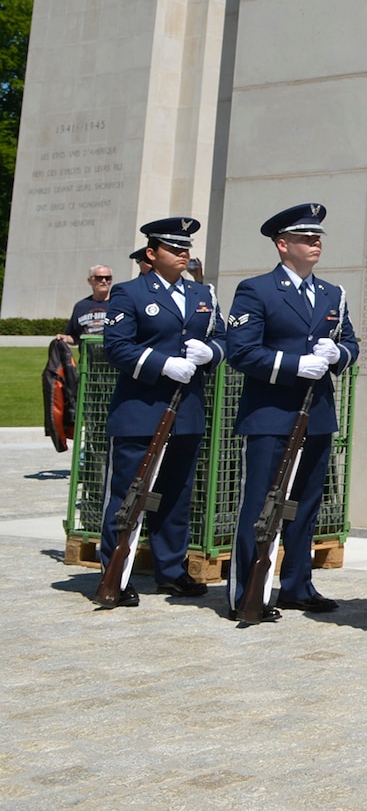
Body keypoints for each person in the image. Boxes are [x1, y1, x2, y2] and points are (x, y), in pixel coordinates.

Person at [224, 203, 360, 619]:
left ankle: (298, 583)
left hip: (316, 414)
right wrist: (293, 365)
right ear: (283, 245)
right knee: (261, 504)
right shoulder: (256, 290)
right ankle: (247, 592)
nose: (315, 242)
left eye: (317, 237)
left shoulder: (332, 294)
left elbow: (352, 344)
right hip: (271, 414)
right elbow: (241, 351)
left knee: (304, 504)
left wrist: (338, 353)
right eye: (305, 238)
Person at [98, 217, 223, 604]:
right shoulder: (130, 292)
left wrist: (212, 352)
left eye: (185, 247)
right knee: (127, 494)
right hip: (142, 409)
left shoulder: (204, 294)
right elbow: (116, 346)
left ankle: (171, 570)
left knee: (175, 494)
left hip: (185, 411)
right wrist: (161, 363)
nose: (183, 253)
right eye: (173, 248)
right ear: (152, 253)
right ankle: (115, 573)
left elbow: (223, 337)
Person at [59, 266, 117, 344]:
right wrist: (65, 339)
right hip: (88, 355)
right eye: (99, 278)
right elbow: (75, 337)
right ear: (89, 281)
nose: (104, 281)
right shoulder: (81, 306)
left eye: (107, 278)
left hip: (113, 355)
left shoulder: (119, 304)